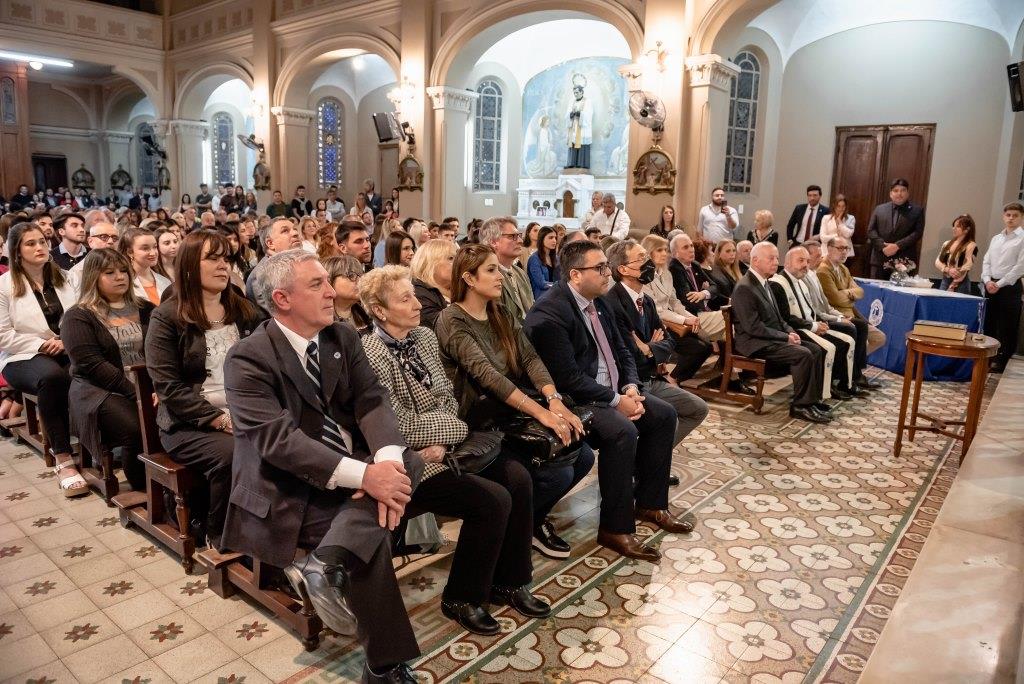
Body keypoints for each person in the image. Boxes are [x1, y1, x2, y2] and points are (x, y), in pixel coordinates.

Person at [222, 250, 422, 683]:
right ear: (282, 299)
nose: (333, 292)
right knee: (372, 542)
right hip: (288, 488)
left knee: (407, 458)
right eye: (317, 285)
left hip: (348, 472)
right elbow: (280, 443)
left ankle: (324, 561)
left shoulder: (340, 337)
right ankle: (384, 668)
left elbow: (371, 399)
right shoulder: (247, 358)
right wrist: (368, 477)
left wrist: (383, 468)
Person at [361, 264, 551, 634]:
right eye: (405, 299)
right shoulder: (370, 353)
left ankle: (510, 581)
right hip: (411, 462)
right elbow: (397, 425)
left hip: (447, 445)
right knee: (491, 500)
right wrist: (444, 432)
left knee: (518, 477)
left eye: (415, 295)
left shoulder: (424, 337)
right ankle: (462, 597)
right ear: (380, 311)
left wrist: (449, 433)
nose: (417, 304)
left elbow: (447, 397)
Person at [525, 240, 691, 562]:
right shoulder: (550, 313)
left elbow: (623, 350)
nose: (607, 274)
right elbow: (568, 379)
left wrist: (629, 386)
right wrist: (617, 401)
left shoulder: (599, 302)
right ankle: (615, 528)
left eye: (606, 266)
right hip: (575, 401)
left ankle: (651, 504)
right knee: (621, 431)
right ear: (575, 274)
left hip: (611, 391)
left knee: (664, 415)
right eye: (600, 268)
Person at [436, 244, 594, 560]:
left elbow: (529, 357)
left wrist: (554, 400)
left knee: (583, 456)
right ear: (468, 277)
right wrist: (541, 412)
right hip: (476, 420)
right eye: (491, 270)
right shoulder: (452, 318)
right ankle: (516, 531)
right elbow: (487, 376)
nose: (500, 277)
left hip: (506, 410)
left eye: (499, 269)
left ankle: (529, 522)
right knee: (556, 472)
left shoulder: (500, 312)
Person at [145, 231, 263, 548]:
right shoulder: (166, 318)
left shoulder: (245, 311)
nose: (223, 265)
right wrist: (221, 420)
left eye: (226, 258)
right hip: (189, 423)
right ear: (188, 266)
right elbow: (169, 388)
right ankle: (220, 534)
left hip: (244, 412)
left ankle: (272, 528)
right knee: (236, 452)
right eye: (212, 258)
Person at [0, 222, 81, 495]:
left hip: (66, 347)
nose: (39, 247)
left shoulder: (64, 277)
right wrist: (43, 344)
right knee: (52, 378)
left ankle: (99, 441)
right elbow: (3, 335)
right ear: (17, 251)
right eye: (30, 243)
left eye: (42, 242)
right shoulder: (4, 286)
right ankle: (63, 457)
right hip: (21, 355)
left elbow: (80, 318)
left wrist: (64, 341)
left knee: (88, 372)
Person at [603, 240, 710, 439]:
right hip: (632, 383)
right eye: (641, 258)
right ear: (624, 269)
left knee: (698, 408)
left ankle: (652, 461)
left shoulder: (648, 301)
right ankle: (650, 461)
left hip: (652, 377)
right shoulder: (613, 303)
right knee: (667, 417)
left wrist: (648, 348)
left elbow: (669, 342)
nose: (648, 263)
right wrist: (650, 349)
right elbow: (628, 354)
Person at [62, 249, 150, 491]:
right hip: (97, 390)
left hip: (144, 383)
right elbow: (92, 365)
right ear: (93, 277)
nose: (120, 277)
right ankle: (143, 485)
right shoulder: (78, 316)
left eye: (123, 271)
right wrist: (136, 393)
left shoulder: (145, 307)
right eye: (109, 272)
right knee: (137, 426)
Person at [732, 242, 830, 424]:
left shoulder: (765, 283)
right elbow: (753, 328)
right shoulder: (745, 287)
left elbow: (779, 319)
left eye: (777, 258)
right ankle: (800, 406)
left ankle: (811, 401)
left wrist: (790, 332)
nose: (776, 262)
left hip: (769, 337)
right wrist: (785, 337)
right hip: (754, 343)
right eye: (771, 258)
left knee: (815, 349)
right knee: (802, 354)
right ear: (755, 260)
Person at [769, 246, 858, 402]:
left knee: (845, 341)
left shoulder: (801, 282)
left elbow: (810, 310)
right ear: (788, 263)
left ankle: (830, 386)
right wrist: (814, 326)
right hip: (795, 329)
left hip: (808, 325)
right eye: (801, 260)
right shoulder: (778, 284)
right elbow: (785, 318)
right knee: (826, 347)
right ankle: (817, 395)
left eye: (808, 261)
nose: (806, 265)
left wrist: (820, 323)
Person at [801, 239, 880, 393]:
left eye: (846, 248)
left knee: (861, 326)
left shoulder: (820, 273)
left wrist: (840, 311)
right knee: (851, 329)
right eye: (817, 255)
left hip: (831, 314)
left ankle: (854, 376)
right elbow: (829, 303)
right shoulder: (820, 272)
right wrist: (839, 317)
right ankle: (842, 379)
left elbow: (860, 292)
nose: (821, 258)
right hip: (818, 319)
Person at [817, 236, 887, 355]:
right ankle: (853, 366)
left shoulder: (843, 268)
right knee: (862, 343)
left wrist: (847, 293)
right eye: (840, 248)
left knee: (880, 338)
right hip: (837, 316)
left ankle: (854, 362)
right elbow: (836, 299)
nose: (844, 252)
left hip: (853, 315)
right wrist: (850, 295)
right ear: (829, 248)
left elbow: (860, 291)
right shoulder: (823, 270)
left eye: (846, 248)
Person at [981, 202, 1024, 373]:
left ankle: (1002, 360)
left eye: (1015, 215)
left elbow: (1020, 267)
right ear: (1003, 216)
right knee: (989, 323)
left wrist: (998, 284)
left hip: (1009, 287)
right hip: (991, 284)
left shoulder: (1022, 238)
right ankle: (988, 357)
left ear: (1021, 218)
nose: (1011, 218)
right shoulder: (996, 238)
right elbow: (987, 261)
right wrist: (986, 280)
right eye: (1008, 215)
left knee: (1007, 325)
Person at [668, 233, 726, 342]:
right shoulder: (674, 269)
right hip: (692, 316)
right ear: (675, 253)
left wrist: (703, 294)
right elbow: (688, 301)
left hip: (705, 312)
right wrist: (707, 296)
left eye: (691, 246)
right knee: (730, 318)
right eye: (685, 247)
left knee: (730, 333)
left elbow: (715, 287)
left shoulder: (695, 265)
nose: (691, 250)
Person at [867, 178, 926, 279]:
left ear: (908, 193)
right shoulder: (879, 209)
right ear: (891, 193)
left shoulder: (917, 211)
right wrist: (883, 246)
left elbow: (917, 233)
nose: (899, 193)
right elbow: (871, 230)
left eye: (903, 190)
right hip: (880, 258)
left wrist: (897, 246)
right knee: (876, 292)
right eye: (896, 190)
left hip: (904, 260)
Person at [479, 216, 534, 321]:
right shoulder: (487, 276)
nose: (520, 241)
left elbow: (531, 307)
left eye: (519, 236)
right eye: (512, 236)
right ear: (493, 242)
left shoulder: (520, 273)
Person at [410, 238, 456, 329]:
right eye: (451, 258)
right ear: (431, 263)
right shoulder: (418, 293)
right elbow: (444, 328)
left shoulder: (460, 288)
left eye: (457, 258)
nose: (458, 263)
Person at [118, 227, 171, 306]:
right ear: (130, 252)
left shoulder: (165, 281)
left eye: (155, 247)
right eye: (145, 248)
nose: (153, 253)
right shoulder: (122, 283)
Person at [323, 255, 371, 334]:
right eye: (351, 275)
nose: (360, 281)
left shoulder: (366, 313)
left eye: (360, 275)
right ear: (329, 279)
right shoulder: (322, 322)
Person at [935, 214, 978, 294]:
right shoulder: (947, 243)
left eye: (957, 226)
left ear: (967, 229)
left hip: (960, 283)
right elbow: (938, 261)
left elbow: (967, 266)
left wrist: (953, 285)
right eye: (953, 226)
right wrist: (948, 269)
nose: (954, 229)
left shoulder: (971, 245)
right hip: (945, 280)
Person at [526, 225, 559, 299]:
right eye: (550, 238)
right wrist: (559, 286)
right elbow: (541, 284)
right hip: (540, 298)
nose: (554, 240)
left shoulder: (556, 258)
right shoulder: (534, 259)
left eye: (555, 238)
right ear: (542, 239)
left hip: (556, 296)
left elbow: (561, 278)